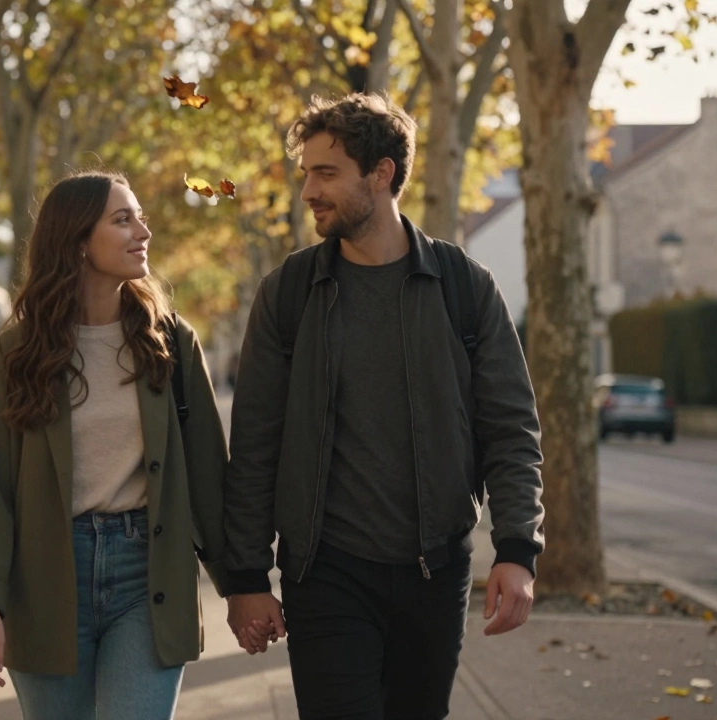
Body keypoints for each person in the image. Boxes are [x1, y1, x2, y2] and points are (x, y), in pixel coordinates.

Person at [222, 92, 546, 720]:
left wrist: (516, 550)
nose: (308, 190)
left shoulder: (464, 288)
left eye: (326, 173)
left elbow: (510, 430)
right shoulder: (288, 294)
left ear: (382, 174)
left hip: (437, 568)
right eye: (306, 173)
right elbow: (256, 446)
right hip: (324, 570)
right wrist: (246, 578)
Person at [0, 169, 231, 720]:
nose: (143, 232)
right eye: (123, 219)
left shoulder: (170, 342)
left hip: (146, 575)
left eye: (141, 218)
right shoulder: (17, 353)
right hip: (45, 579)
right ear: (78, 240)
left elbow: (209, 476)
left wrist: (243, 584)